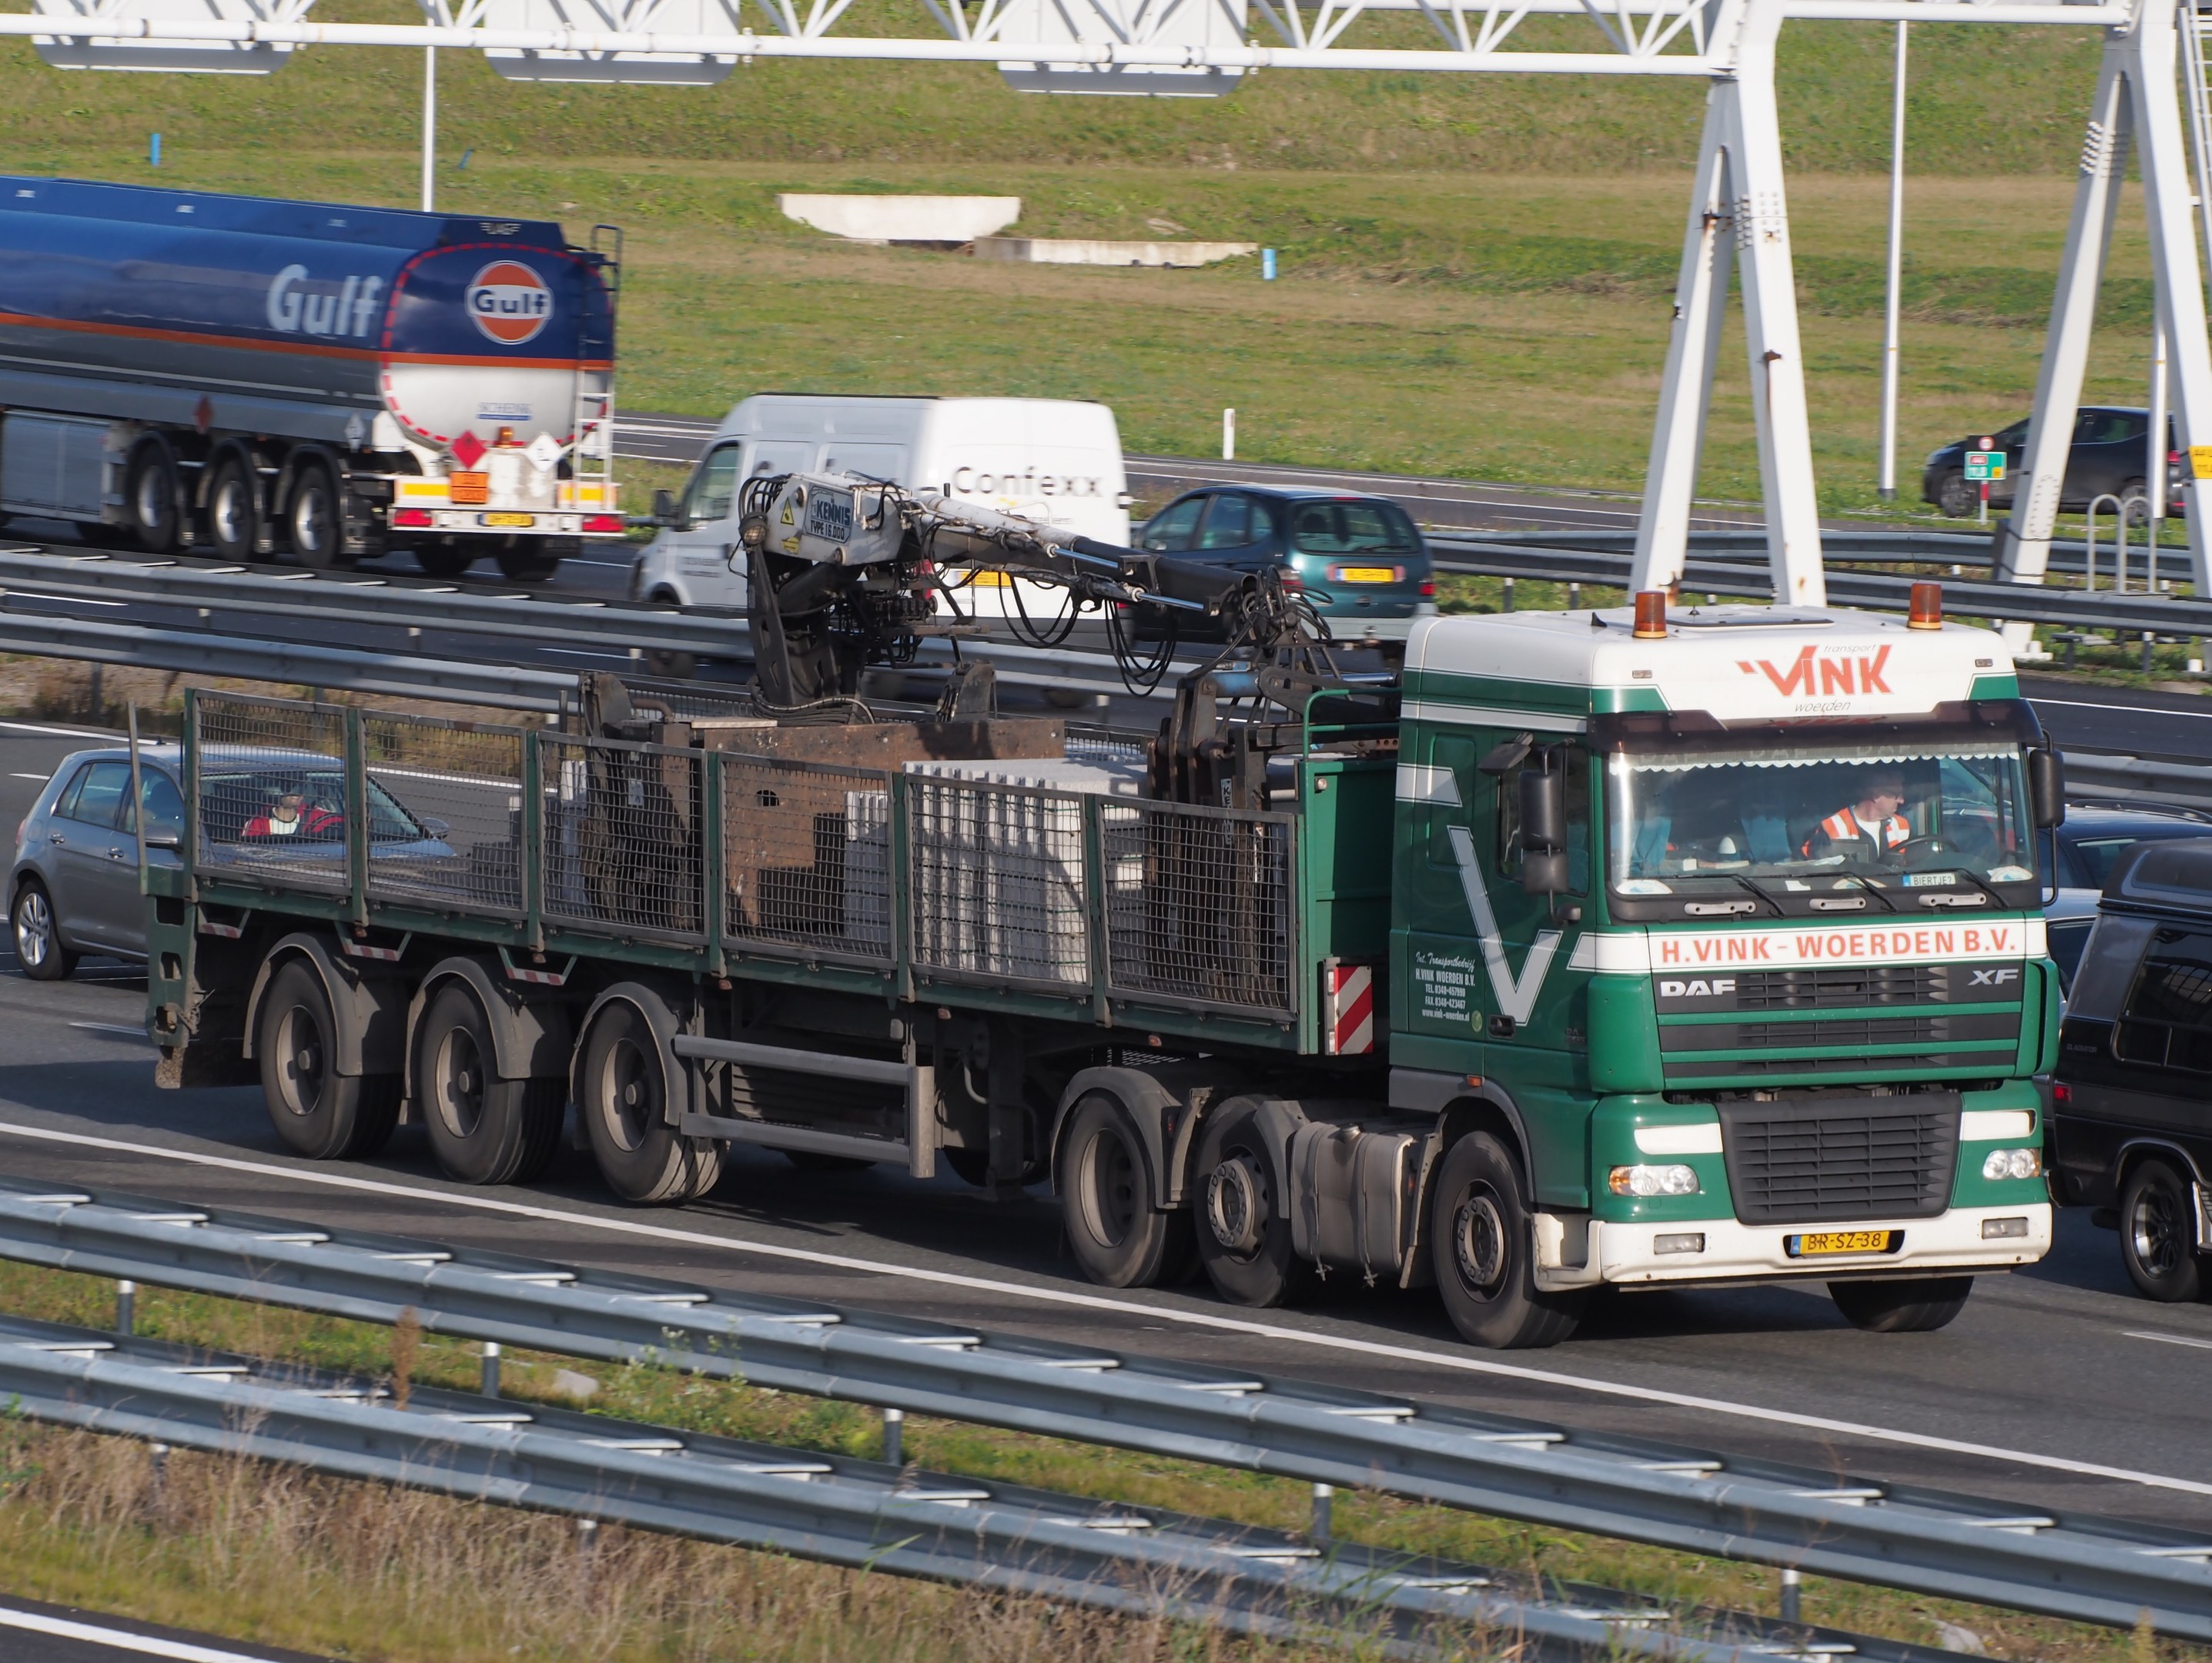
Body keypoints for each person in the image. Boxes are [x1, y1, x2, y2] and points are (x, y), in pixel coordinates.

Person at [1802, 768, 1911, 862]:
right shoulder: (1832, 828)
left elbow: (1918, 866)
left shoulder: (1902, 826)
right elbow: (1818, 874)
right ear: (1876, 795)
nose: (1901, 800)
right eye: (1895, 795)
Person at [243, 790, 341, 838]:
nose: (296, 792)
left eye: (300, 787)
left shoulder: (321, 817)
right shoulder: (257, 823)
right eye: (290, 787)